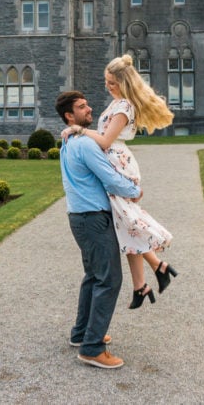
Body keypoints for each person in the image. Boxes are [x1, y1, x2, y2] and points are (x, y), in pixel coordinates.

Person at [62, 54, 178, 310]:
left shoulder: (124, 107)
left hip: (119, 164)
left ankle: (155, 267)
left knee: (128, 221)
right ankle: (146, 280)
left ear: (124, 83)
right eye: (106, 81)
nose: (107, 86)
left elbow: (104, 141)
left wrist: (78, 130)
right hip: (116, 161)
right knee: (126, 224)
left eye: (112, 82)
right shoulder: (117, 104)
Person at [55, 90, 143, 370]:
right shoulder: (85, 144)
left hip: (79, 217)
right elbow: (110, 178)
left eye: (87, 103)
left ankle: (82, 333)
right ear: (70, 116)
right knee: (109, 279)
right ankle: (92, 348)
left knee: (93, 277)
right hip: (93, 218)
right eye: (82, 107)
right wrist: (135, 190)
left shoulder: (69, 141)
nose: (89, 108)